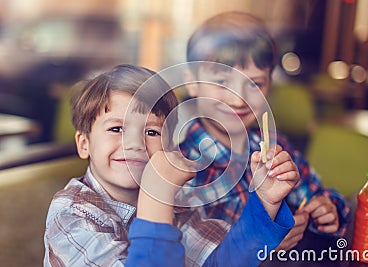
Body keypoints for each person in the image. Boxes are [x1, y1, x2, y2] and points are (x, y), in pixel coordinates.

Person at [43, 64, 299, 266]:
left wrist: (265, 201)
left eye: (152, 132)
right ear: (84, 144)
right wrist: (157, 196)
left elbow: (221, 261)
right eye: (116, 128)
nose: (135, 143)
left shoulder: (178, 203)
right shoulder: (71, 213)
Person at [179, 11, 351, 251]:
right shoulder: (180, 162)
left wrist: (325, 210)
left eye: (254, 83)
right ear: (192, 82)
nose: (239, 99)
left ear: (270, 84)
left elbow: (318, 194)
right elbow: (188, 248)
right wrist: (260, 238)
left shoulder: (277, 147)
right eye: (222, 82)